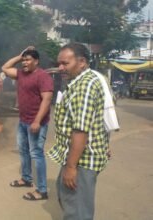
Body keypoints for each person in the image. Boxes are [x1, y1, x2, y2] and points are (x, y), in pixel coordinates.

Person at [47, 43, 110, 220]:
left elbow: (80, 130)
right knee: (69, 200)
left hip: (82, 160)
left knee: (77, 212)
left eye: (65, 63)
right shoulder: (90, 79)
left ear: (82, 62)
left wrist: (71, 167)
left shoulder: (84, 87)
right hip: (79, 155)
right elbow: (101, 116)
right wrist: (105, 143)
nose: (60, 68)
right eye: (59, 63)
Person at [2, 47, 53, 201]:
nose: (24, 62)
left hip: (36, 123)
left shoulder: (43, 76)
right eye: (23, 60)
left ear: (36, 61)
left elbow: (47, 99)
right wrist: (19, 55)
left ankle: (42, 190)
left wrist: (37, 121)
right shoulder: (21, 74)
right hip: (23, 121)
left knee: (36, 154)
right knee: (23, 151)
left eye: (28, 59)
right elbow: (4, 68)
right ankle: (26, 179)